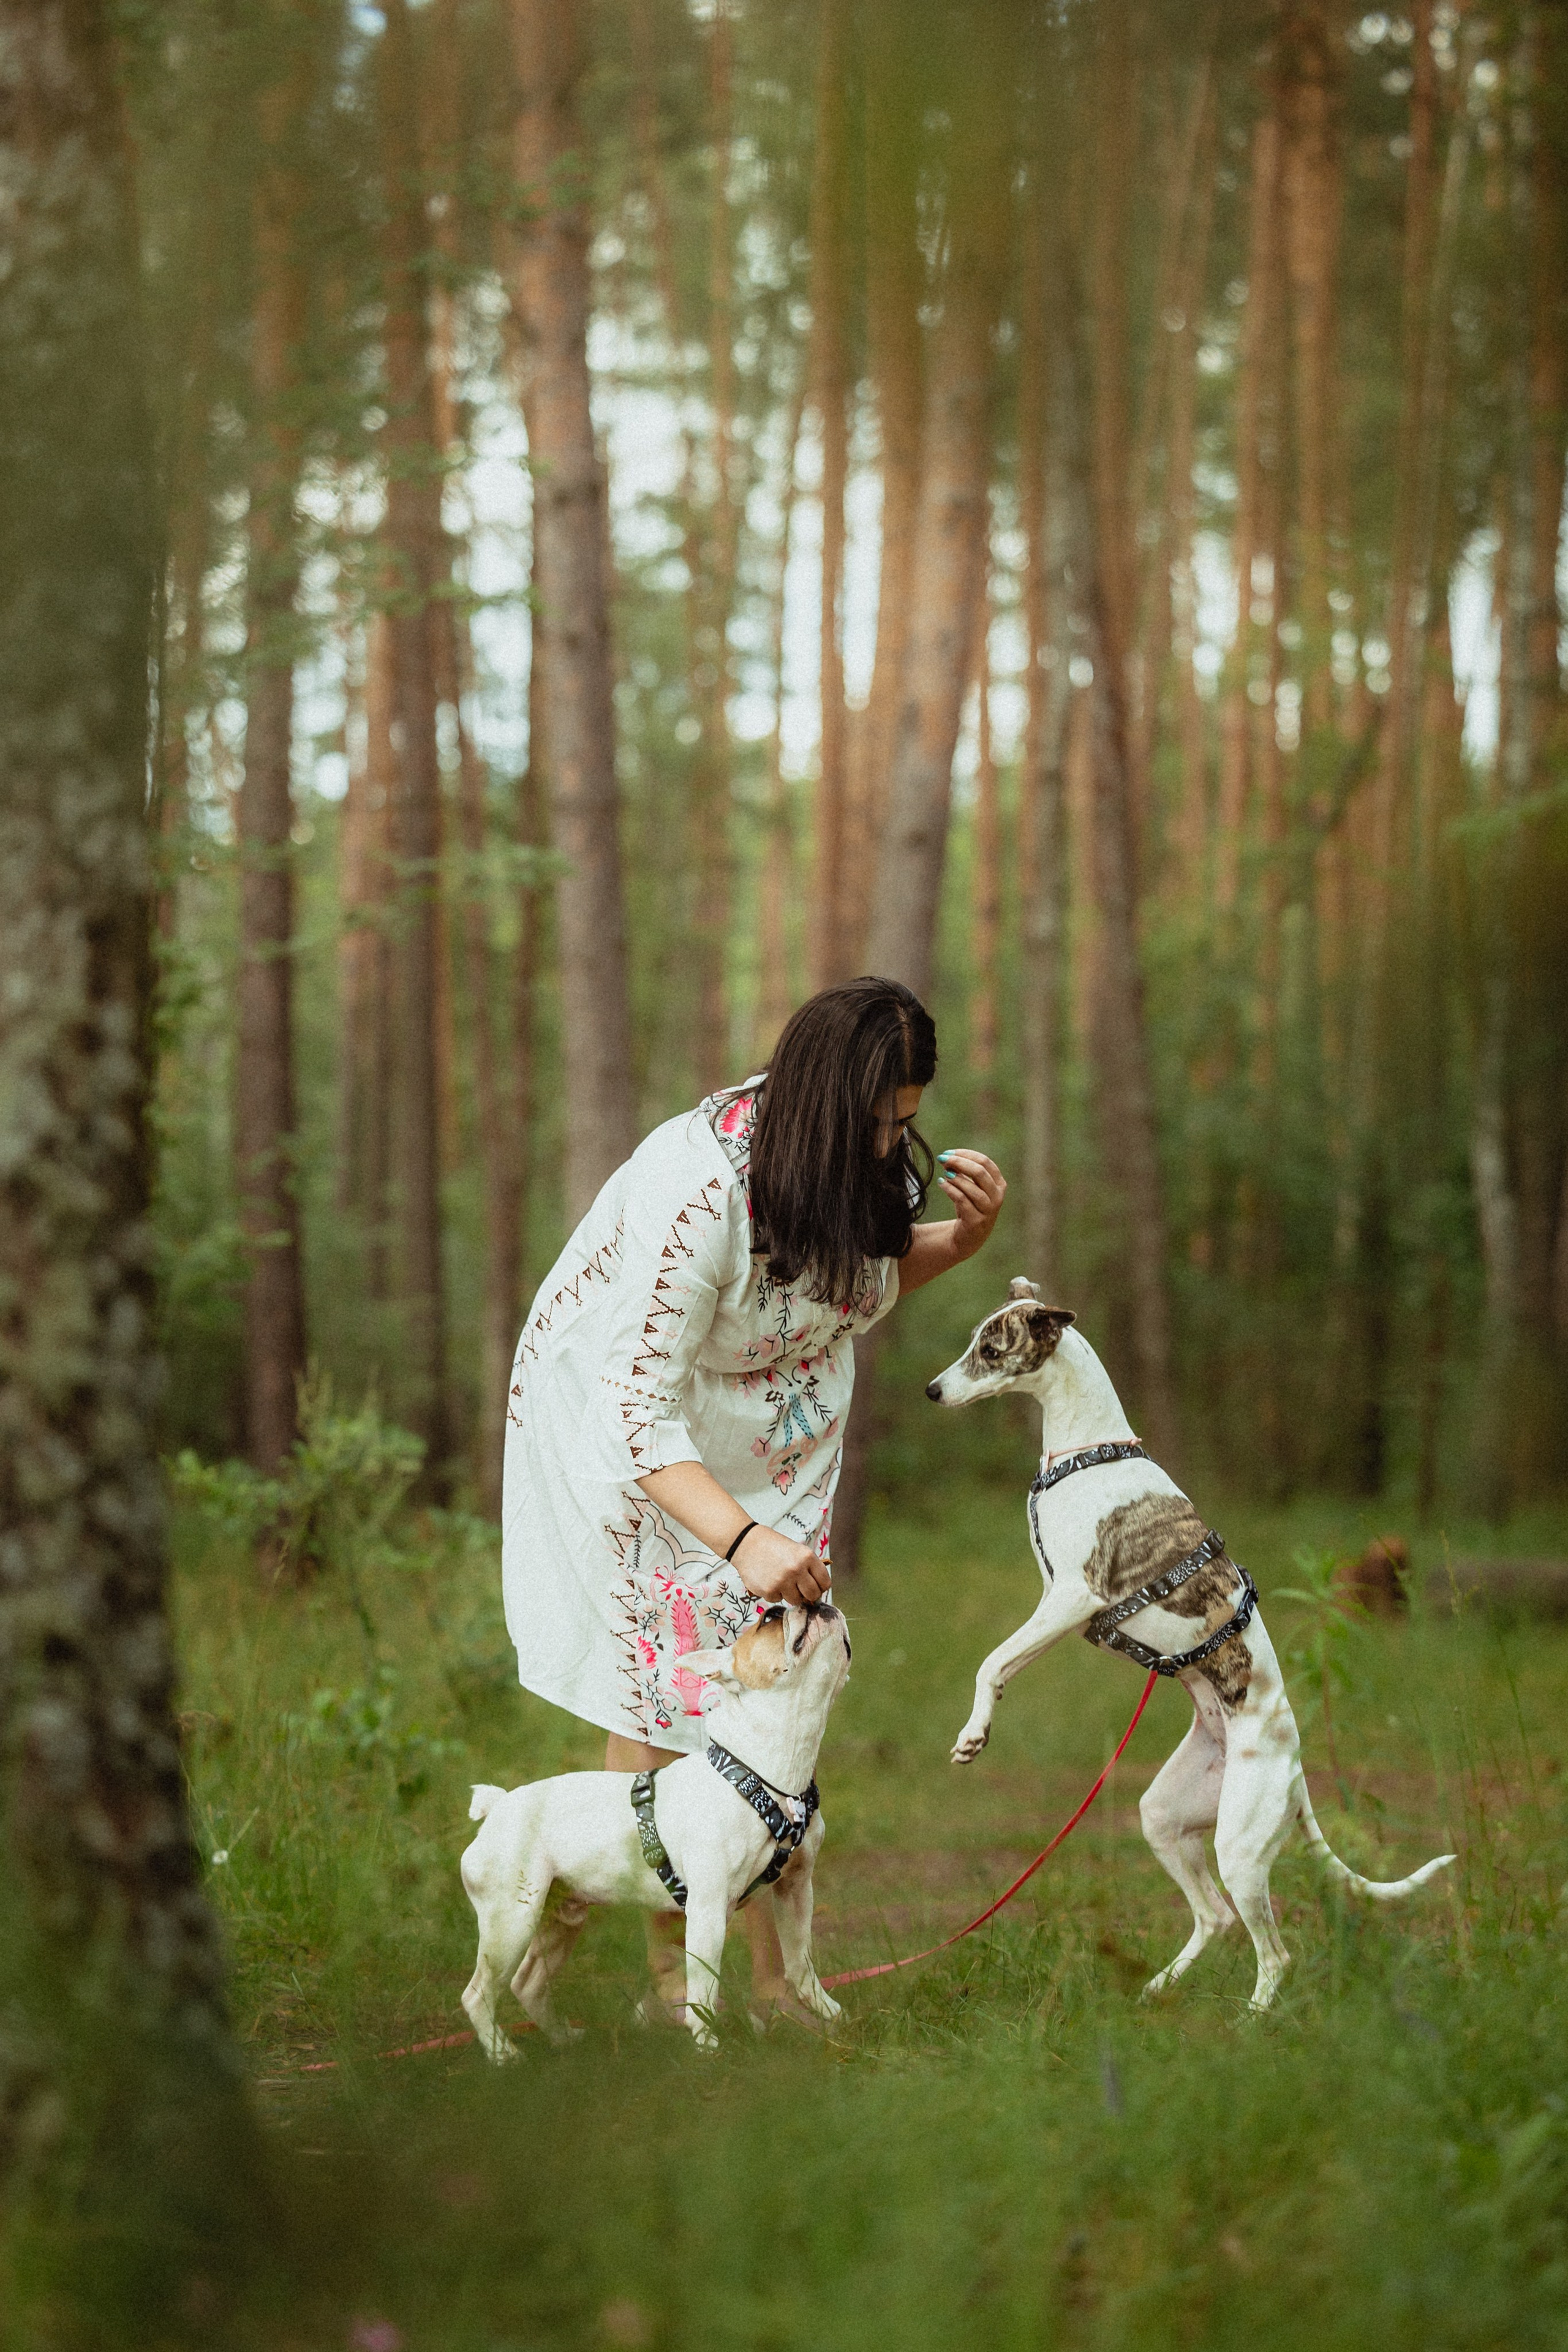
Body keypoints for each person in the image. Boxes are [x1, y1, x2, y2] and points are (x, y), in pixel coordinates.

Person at [500, 974, 1006, 2008]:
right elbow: (632, 1411)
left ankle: (766, 1971)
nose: (887, 1146)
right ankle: (676, 1985)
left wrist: (969, 1239)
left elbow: (863, 1274)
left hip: (762, 1421)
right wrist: (738, 1543)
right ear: (822, 1102)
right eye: (875, 1125)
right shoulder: (695, 1191)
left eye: (904, 1126)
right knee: (664, 1668)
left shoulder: (845, 1157)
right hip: (633, 1411)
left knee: (762, 1667)